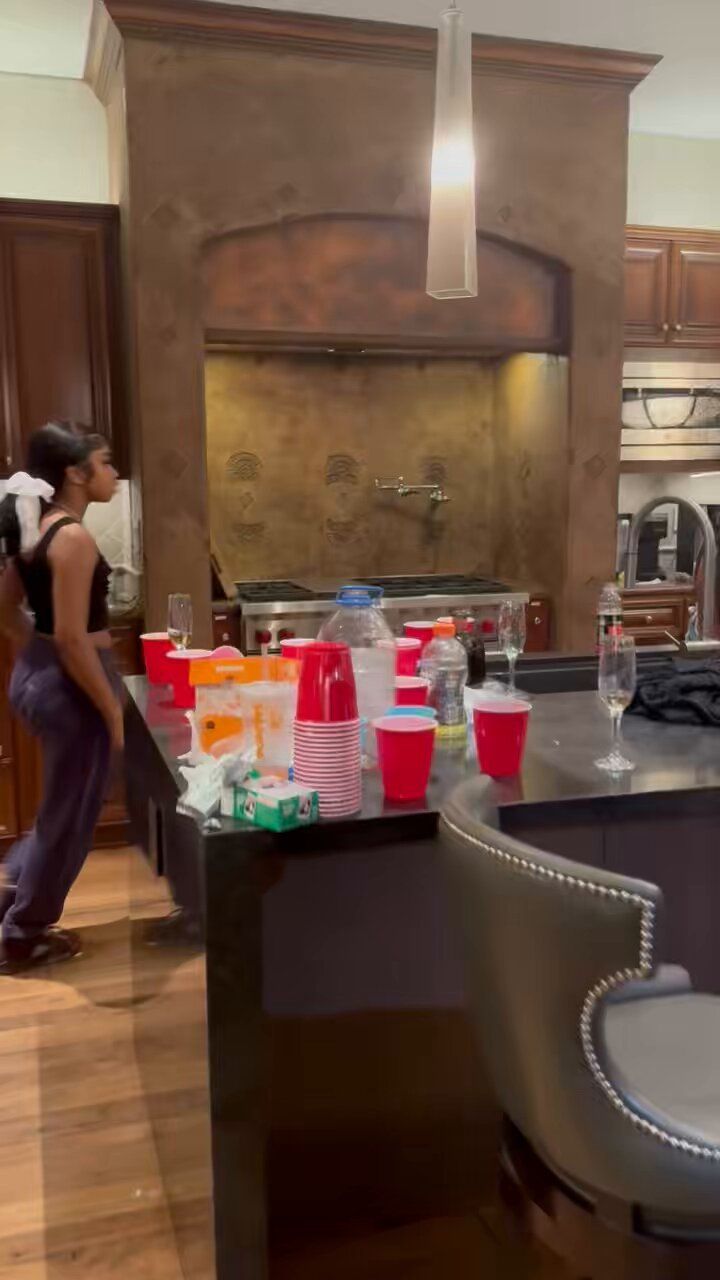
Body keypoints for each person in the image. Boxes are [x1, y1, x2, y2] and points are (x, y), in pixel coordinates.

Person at [0, 421, 122, 971]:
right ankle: (23, 934)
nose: (113, 472)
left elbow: (5, 609)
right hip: (70, 683)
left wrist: (38, 655)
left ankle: (15, 893)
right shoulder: (72, 536)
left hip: (36, 676)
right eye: (105, 461)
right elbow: (74, 639)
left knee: (58, 808)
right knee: (69, 816)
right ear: (76, 473)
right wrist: (112, 711)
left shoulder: (36, 528)